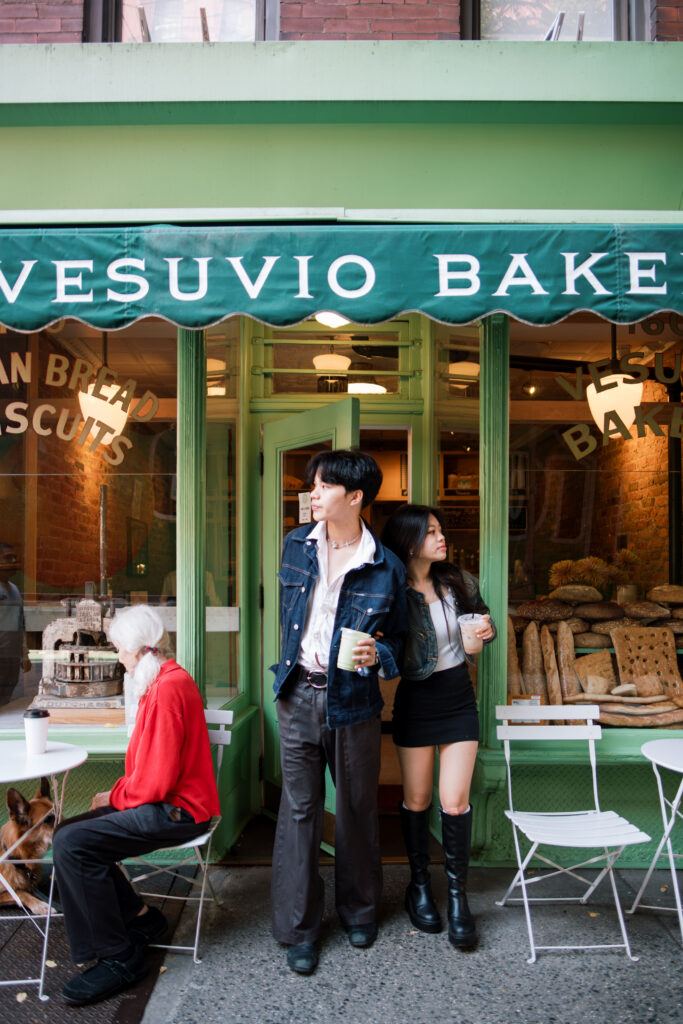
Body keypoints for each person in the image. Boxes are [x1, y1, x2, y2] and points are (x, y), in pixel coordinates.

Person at [271, 449, 407, 975]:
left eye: (324, 486)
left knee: (354, 808)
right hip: (296, 694)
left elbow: (400, 645)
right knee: (300, 812)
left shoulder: (384, 565)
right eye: (314, 485)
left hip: (354, 703)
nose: (313, 493)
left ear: (355, 497)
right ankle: (299, 927)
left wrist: (381, 656)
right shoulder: (294, 546)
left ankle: (359, 910)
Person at [52, 605, 219, 1006]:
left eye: (119, 650)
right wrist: (115, 795)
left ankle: (119, 957)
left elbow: (156, 782)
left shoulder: (164, 690)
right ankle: (142, 920)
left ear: (135, 648)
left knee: (73, 844)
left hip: (178, 812)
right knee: (71, 836)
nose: (119, 659)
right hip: (170, 804)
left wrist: (112, 797)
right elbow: (148, 772)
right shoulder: (163, 680)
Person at [381, 504, 495, 950]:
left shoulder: (458, 582)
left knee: (453, 801)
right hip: (416, 701)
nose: (441, 537)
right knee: (417, 799)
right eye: (431, 532)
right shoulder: (394, 591)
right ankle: (419, 886)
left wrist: (484, 630)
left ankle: (457, 896)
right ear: (409, 542)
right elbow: (387, 646)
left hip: (458, 701)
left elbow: (483, 621)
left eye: (441, 530)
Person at [0, 543, 26, 706]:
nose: (14, 561)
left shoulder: (14, 590)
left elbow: (20, 623)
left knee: (6, 699)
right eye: (8, 557)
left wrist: (25, 654)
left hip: (12, 656)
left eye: (14, 557)